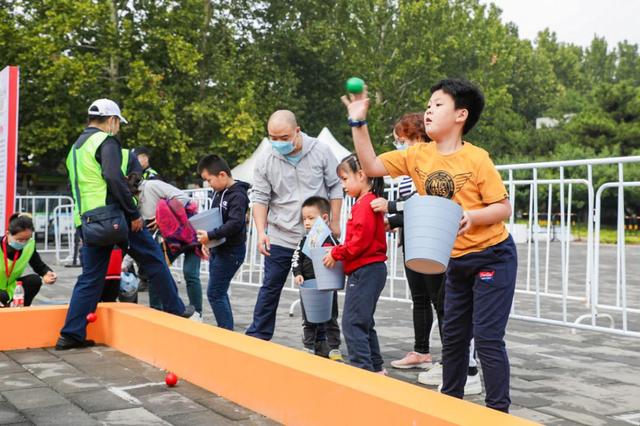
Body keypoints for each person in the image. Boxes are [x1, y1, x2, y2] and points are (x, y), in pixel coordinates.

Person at [341, 79, 517, 412]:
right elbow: (372, 166)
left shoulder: (477, 158)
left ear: (461, 115)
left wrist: (473, 216)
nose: (429, 110)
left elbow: (504, 207)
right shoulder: (417, 155)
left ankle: (498, 413)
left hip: (493, 255)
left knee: (487, 337)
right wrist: (358, 122)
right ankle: (449, 408)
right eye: (428, 105)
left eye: (438, 104)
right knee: (454, 337)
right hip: (456, 261)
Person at [56, 98, 194, 351]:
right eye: (118, 122)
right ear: (111, 120)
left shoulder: (75, 148)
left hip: (87, 221)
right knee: (153, 258)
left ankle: (70, 334)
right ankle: (175, 309)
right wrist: (133, 213)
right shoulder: (105, 141)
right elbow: (112, 177)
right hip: (114, 218)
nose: (118, 127)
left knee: (90, 278)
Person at [246, 110, 343, 341]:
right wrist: (261, 232)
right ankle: (258, 336)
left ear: (297, 131)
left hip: (316, 237)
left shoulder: (321, 151)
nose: (278, 143)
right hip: (281, 235)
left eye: (284, 137)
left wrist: (335, 222)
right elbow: (260, 197)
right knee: (270, 287)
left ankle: (325, 342)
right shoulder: (266, 160)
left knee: (321, 289)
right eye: (273, 138)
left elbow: (335, 186)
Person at [370, 113, 442, 370]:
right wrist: (394, 221)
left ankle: (453, 359)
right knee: (419, 297)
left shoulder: (430, 164)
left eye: (402, 140)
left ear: (418, 137)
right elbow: (408, 208)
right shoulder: (404, 171)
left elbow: (424, 204)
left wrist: (390, 209)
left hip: (430, 239)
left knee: (439, 300)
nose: (399, 145)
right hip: (411, 237)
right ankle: (421, 351)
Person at [322, 154, 387, 373]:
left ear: (361, 175)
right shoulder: (367, 202)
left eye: (344, 179)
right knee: (364, 321)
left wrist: (336, 252)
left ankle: (362, 371)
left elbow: (358, 242)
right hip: (370, 269)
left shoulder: (364, 204)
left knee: (352, 323)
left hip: (365, 270)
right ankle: (375, 369)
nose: (343, 185)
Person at [127, 173, 204, 321]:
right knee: (157, 269)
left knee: (191, 274)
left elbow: (183, 199)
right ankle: (157, 312)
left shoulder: (152, 186)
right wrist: (124, 265)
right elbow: (141, 240)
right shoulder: (134, 207)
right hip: (170, 240)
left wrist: (162, 217)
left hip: (189, 232)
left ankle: (197, 313)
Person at [196, 154, 250, 330]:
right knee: (218, 292)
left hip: (231, 251)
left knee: (215, 293)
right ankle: (225, 330)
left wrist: (210, 235)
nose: (208, 184)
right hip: (218, 249)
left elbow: (235, 224)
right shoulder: (218, 193)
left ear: (222, 175)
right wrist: (207, 242)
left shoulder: (238, 195)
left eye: (209, 180)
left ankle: (226, 332)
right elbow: (214, 220)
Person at [291, 196, 342, 361]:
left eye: (311, 218)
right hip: (308, 286)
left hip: (327, 286)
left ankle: (334, 348)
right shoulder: (304, 240)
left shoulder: (332, 240)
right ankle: (308, 346)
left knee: (331, 317)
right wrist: (298, 273)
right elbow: (296, 258)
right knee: (308, 318)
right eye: (304, 219)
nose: (306, 222)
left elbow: (341, 256)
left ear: (324, 218)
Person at [1, 213, 57, 307]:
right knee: (3, 296)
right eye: (19, 240)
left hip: (10, 288)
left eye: (27, 239)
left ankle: (20, 310)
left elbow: (39, 266)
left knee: (34, 281)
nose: (23, 243)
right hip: (2, 293)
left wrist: (47, 273)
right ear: (8, 234)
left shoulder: (29, 245)